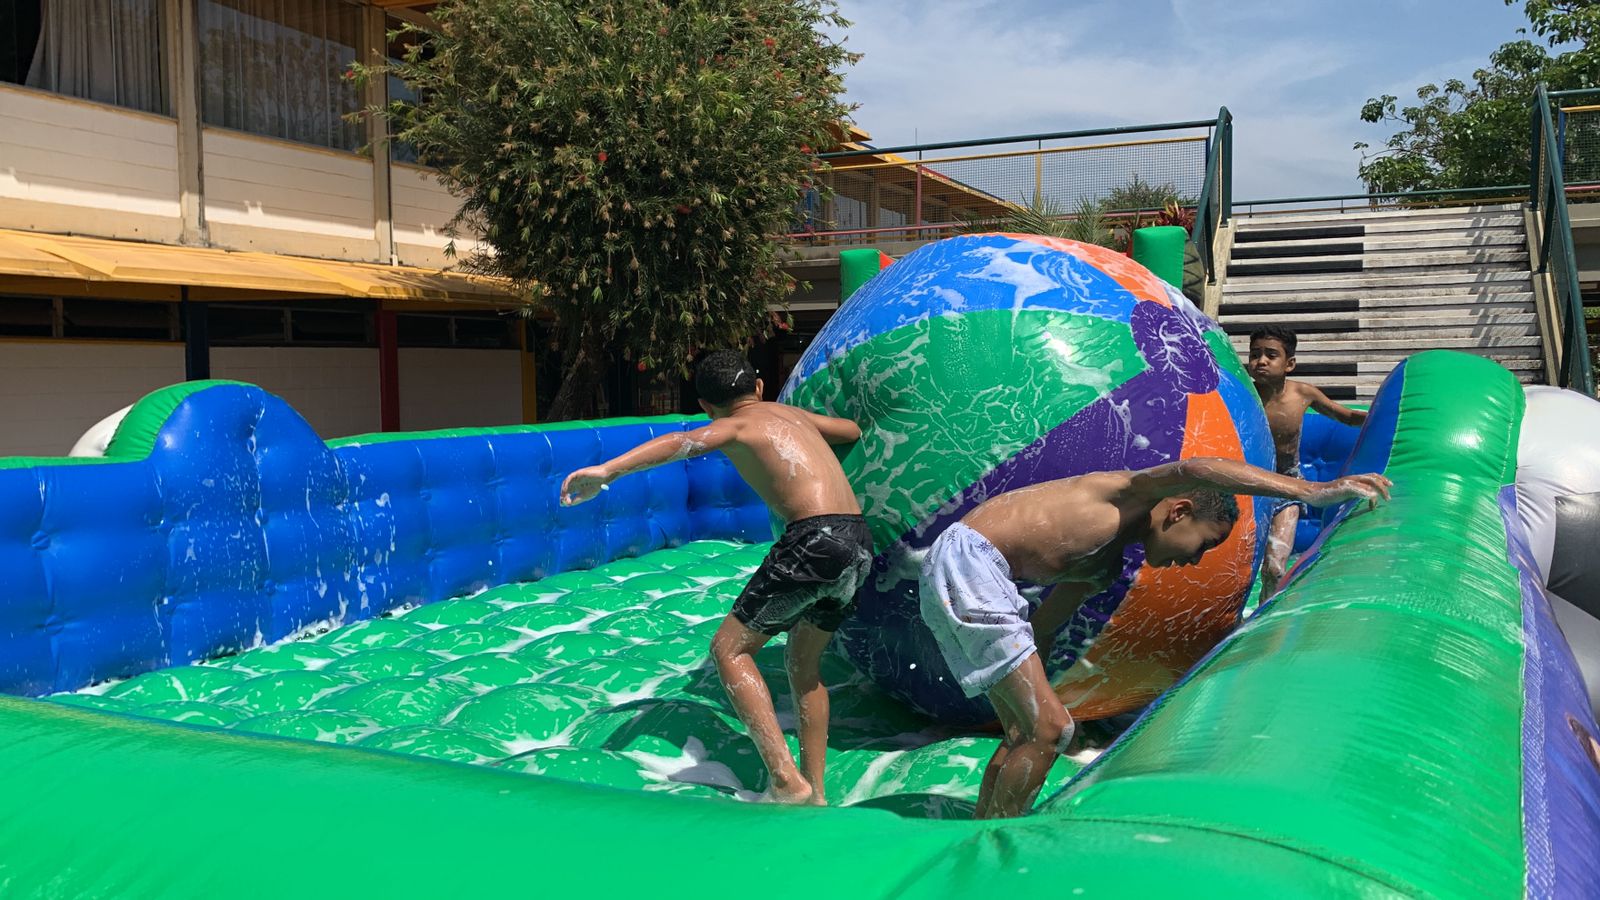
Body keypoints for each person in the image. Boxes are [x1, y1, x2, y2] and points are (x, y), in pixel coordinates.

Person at [919, 457, 1392, 819]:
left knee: (1030, 729)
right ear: (1179, 510)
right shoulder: (1125, 494)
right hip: (969, 561)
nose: (1193, 561)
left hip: (966, 570)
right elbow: (1199, 468)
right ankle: (992, 845)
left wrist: (1031, 700)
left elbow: (1039, 631)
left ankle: (982, 827)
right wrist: (1310, 490)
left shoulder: (1100, 564)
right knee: (1053, 729)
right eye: (1204, 544)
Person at [560, 350, 869, 806]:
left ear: (707, 405)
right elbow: (852, 430)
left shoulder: (736, 425)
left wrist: (608, 470)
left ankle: (786, 782)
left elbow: (681, 442)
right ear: (759, 387)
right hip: (858, 541)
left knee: (728, 650)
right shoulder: (790, 414)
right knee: (804, 667)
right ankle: (816, 791)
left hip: (814, 538)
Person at [1246, 325, 1369, 599]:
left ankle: (1263, 620)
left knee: (1275, 567)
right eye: (1255, 354)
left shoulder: (1302, 394)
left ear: (1289, 363)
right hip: (1248, 485)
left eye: (1270, 355)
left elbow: (1346, 416)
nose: (1261, 361)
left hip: (1288, 487)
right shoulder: (1244, 394)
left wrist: (1381, 416)